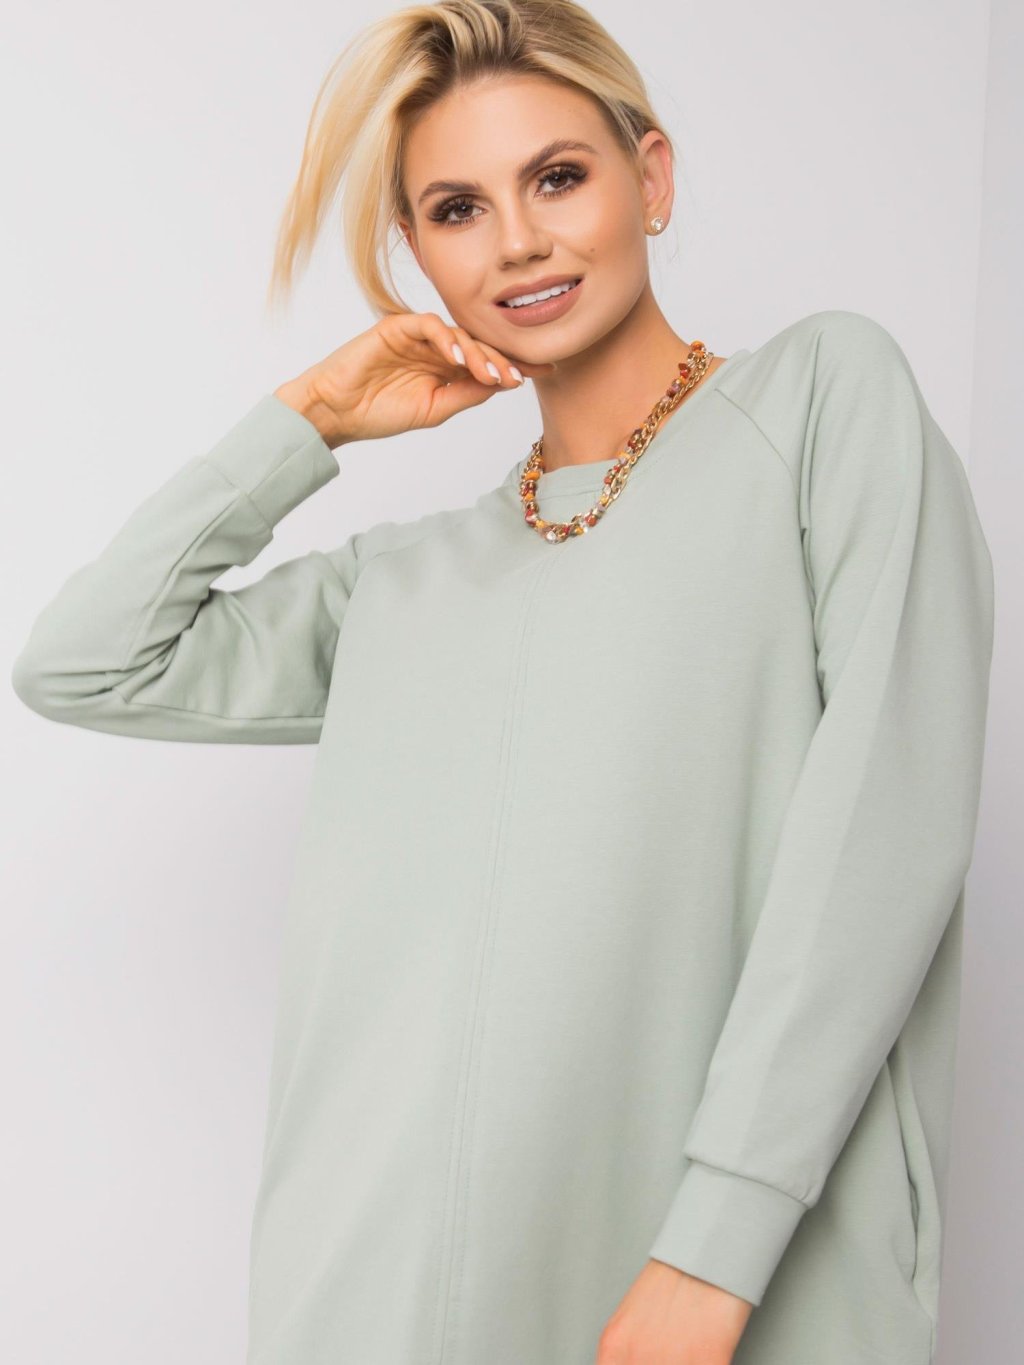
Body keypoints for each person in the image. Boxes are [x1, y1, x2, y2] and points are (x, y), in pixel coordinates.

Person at [10, 2, 995, 1363]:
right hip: (369, 1304)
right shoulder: (407, 581)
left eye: (558, 177)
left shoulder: (818, 405)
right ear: (417, 253)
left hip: (704, 1291)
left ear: (650, 177)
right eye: (458, 209)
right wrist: (309, 421)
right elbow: (84, 660)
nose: (518, 241)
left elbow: (886, 832)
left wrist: (713, 1250)